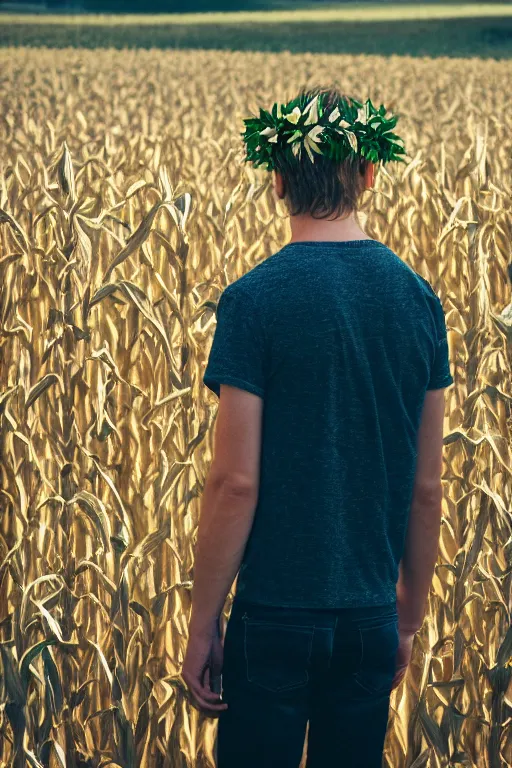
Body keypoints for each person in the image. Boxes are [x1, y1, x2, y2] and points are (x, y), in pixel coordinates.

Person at [181, 85, 454, 767]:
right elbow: (426, 489)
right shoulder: (418, 301)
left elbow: (236, 483)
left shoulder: (253, 301)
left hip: (273, 615)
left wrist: (203, 621)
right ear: (368, 172)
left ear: (277, 179)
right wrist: (408, 619)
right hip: (368, 619)